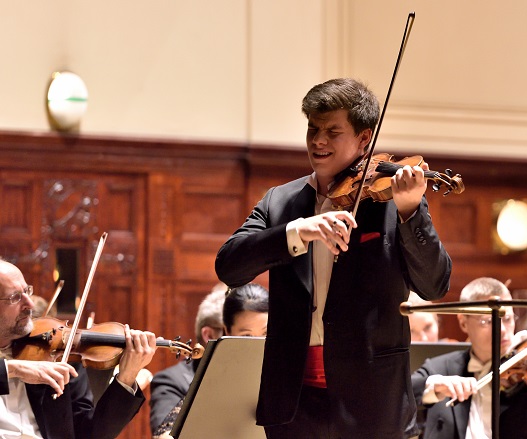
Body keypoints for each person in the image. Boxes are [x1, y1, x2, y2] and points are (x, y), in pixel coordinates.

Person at [215, 77, 452, 438]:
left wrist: (410, 213)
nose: (318, 140)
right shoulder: (280, 202)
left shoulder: (392, 202)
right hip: (292, 400)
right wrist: (297, 232)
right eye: (312, 128)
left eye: (331, 131)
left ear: (364, 138)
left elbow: (434, 285)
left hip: (372, 401)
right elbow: (229, 266)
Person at [0, 258, 157, 439]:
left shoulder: (57, 353)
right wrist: (13, 369)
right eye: (15, 297)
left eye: (27, 291)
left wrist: (127, 377)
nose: (30, 304)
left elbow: (90, 434)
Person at [411, 277, 527, 439]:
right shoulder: (441, 368)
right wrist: (433, 387)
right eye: (487, 321)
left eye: (507, 318)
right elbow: (402, 396)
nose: (502, 329)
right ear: (463, 322)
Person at [149, 282, 268, 438]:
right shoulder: (171, 381)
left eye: (266, 334)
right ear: (225, 332)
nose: (259, 345)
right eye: (247, 336)